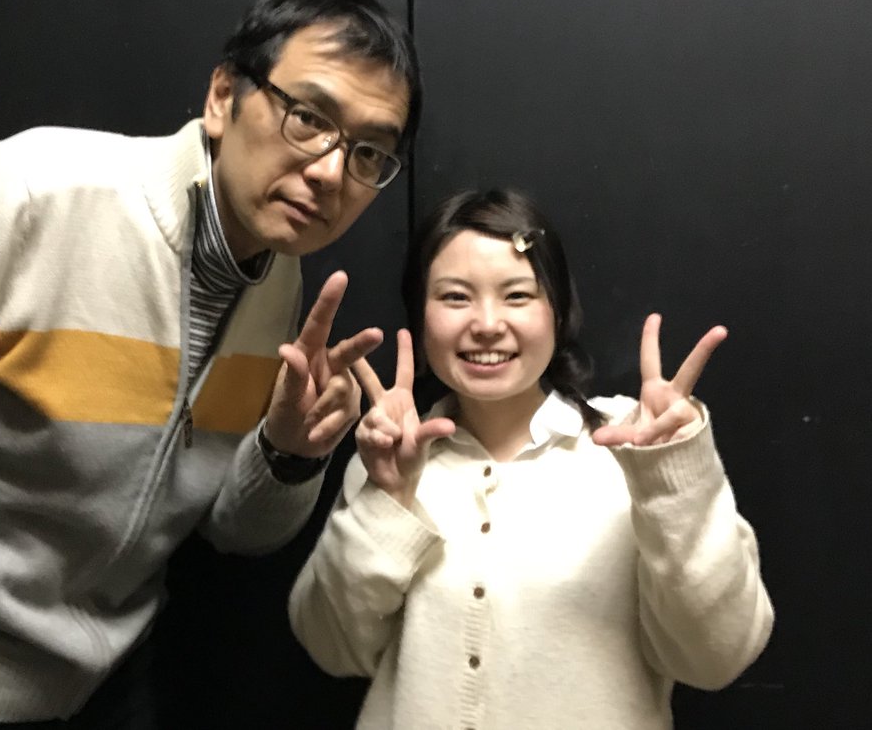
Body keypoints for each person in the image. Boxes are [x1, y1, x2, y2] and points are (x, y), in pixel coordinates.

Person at [0, 0, 421, 729]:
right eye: (308, 118)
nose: (332, 171)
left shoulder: (277, 279)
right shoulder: (32, 194)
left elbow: (232, 531)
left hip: (108, 687)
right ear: (222, 97)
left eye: (369, 152)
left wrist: (289, 452)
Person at [289, 188, 774, 729]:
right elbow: (332, 649)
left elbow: (716, 657)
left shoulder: (633, 447)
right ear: (421, 317)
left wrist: (673, 478)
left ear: (558, 312)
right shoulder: (388, 456)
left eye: (517, 295)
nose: (487, 323)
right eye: (455, 297)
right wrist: (389, 498)